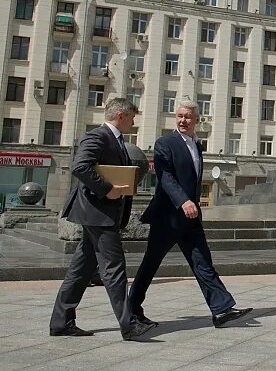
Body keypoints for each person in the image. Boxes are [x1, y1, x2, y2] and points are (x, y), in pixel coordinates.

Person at [128, 101, 251, 328]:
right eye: (180, 116)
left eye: (187, 117)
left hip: (191, 218)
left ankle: (221, 309)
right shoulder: (165, 143)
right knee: (151, 264)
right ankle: (131, 310)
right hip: (168, 217)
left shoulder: (197, 145)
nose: (183, 120)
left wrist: (191, 204)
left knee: (203, 262)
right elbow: (165, 177)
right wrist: (183, 200)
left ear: (196, 120)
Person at [50, 98, 154, 340]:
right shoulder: (98, 136)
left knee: (81, 270)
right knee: (113, 268)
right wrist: (107, 189)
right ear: (121, 116)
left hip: (99, 214)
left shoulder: (116, 140)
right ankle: (129, 325)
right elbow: (80, 167)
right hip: (98, 214)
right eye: (132, 117)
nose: (133, 122)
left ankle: (61, 322)